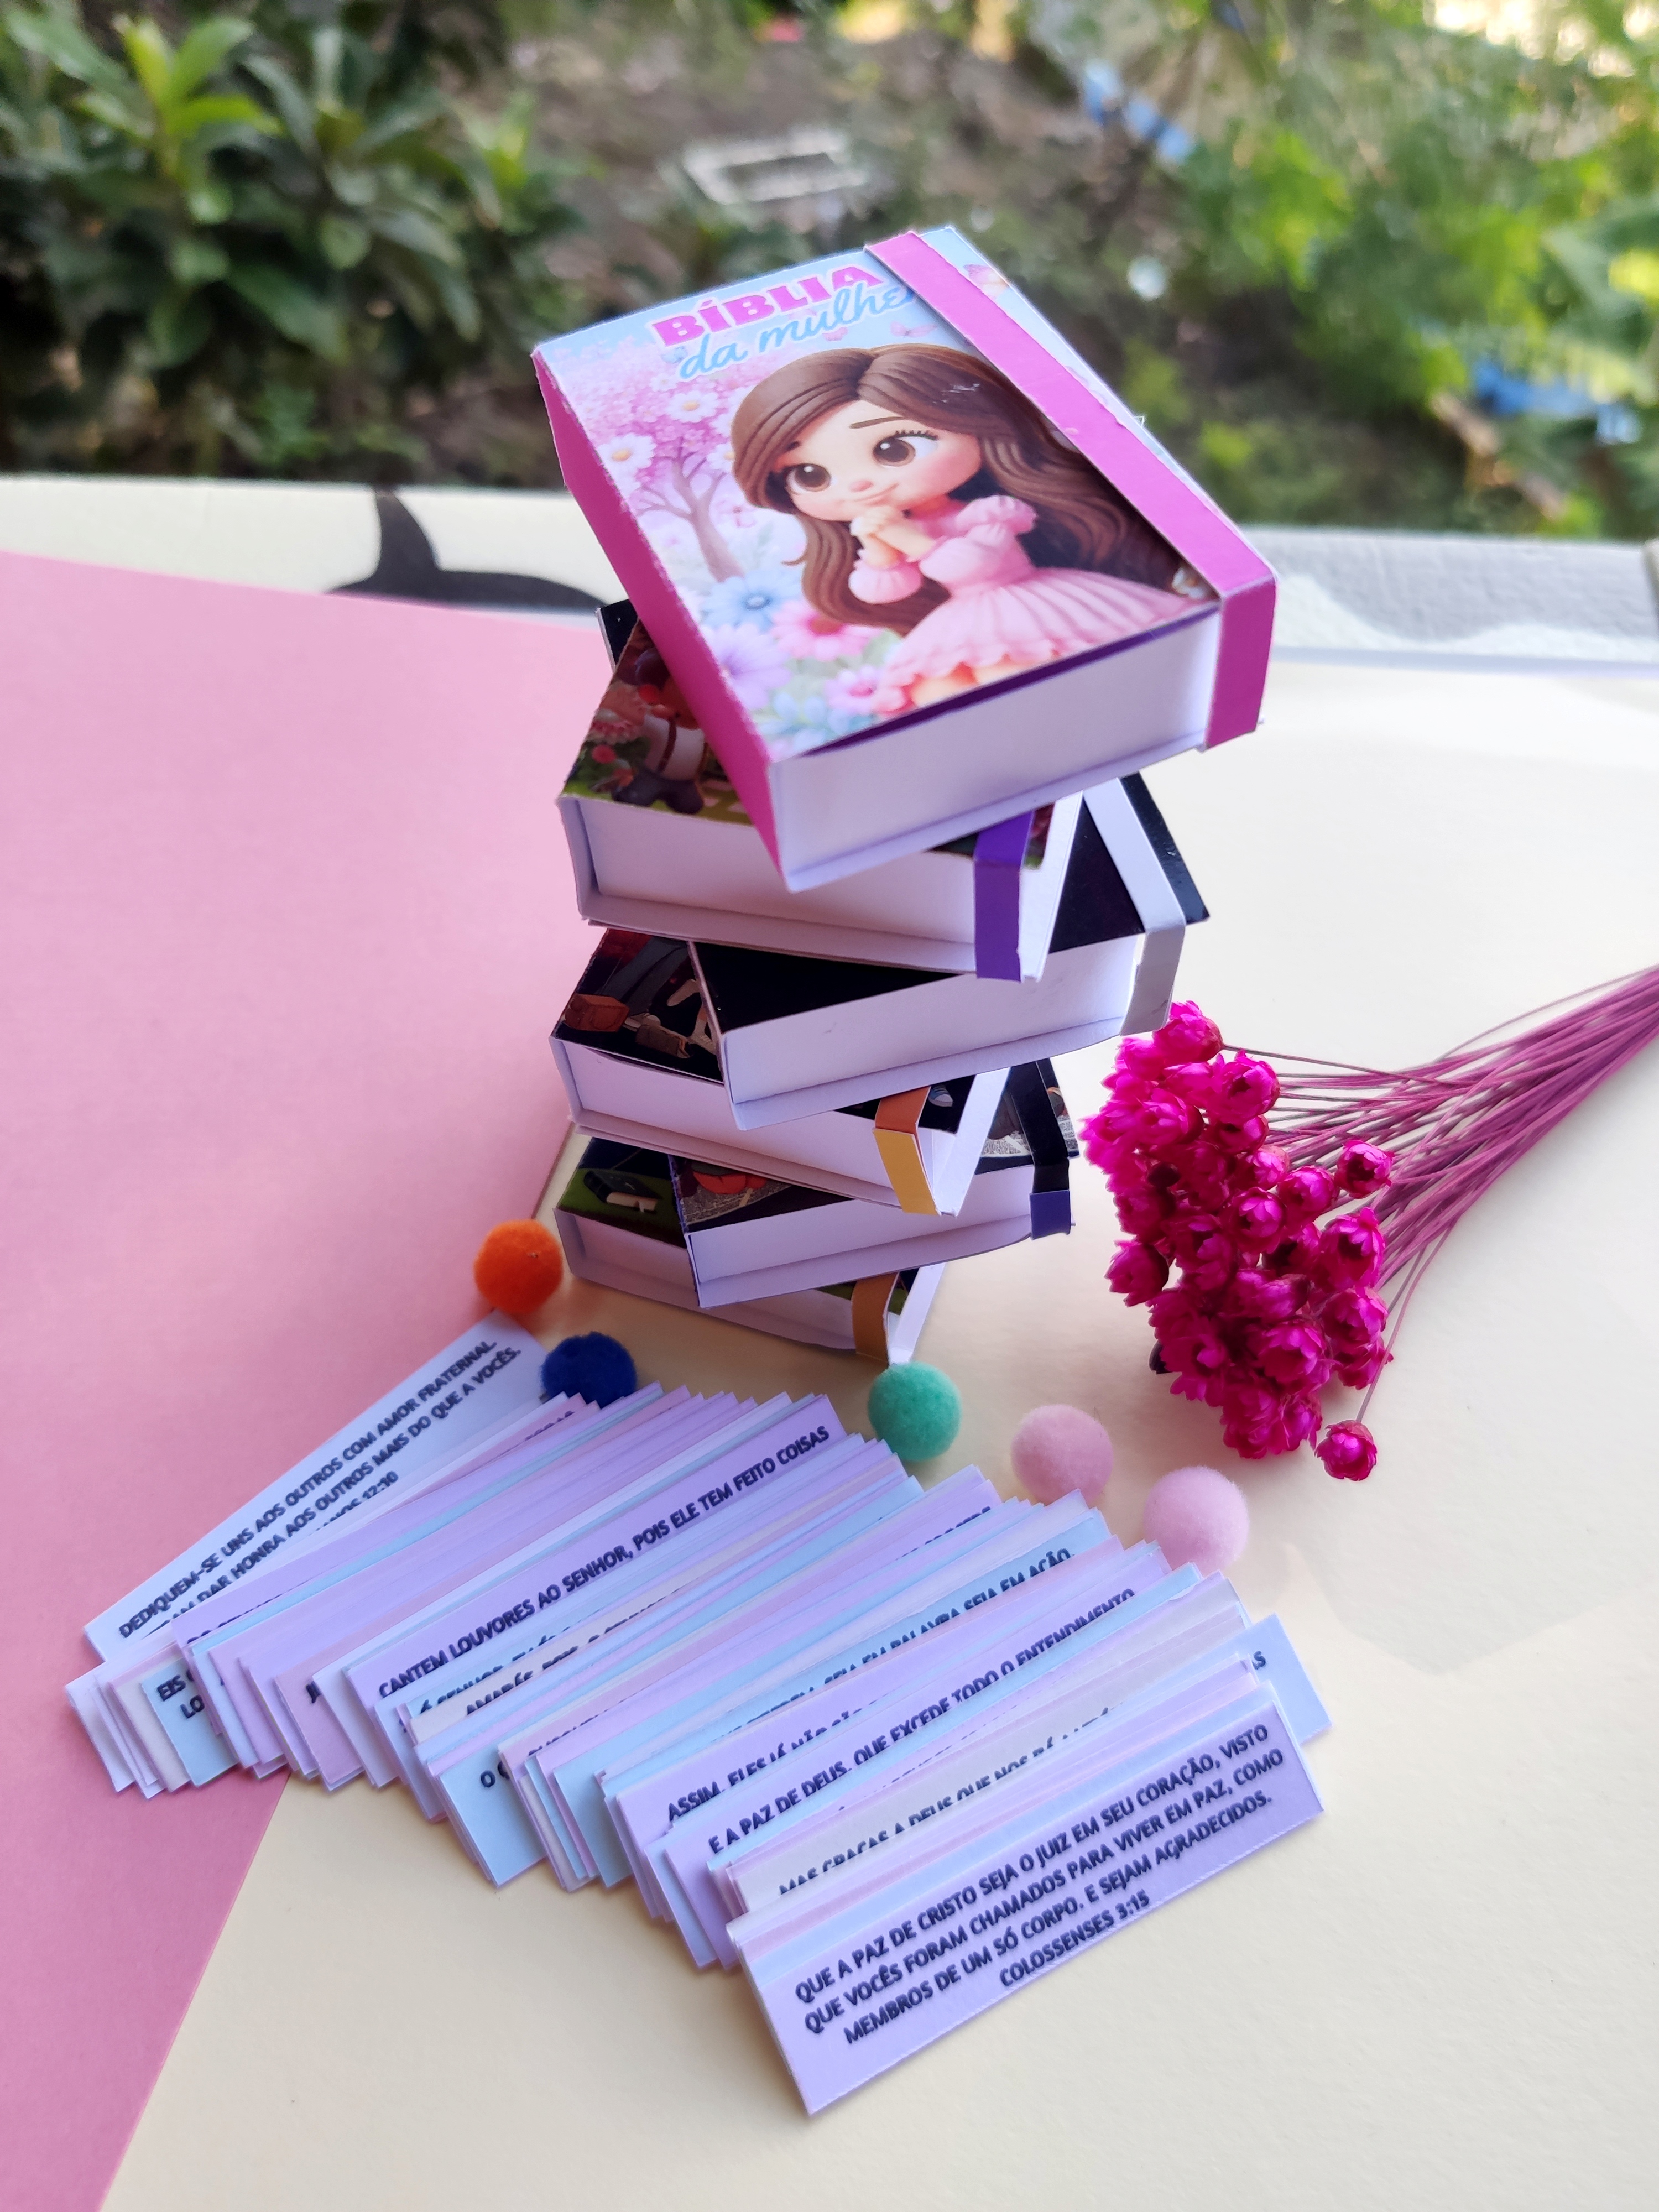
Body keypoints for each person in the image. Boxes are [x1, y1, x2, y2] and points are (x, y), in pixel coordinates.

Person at [729, 343, 1195, 716]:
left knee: (1016, 672)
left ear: (975, 426)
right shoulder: (893, 525)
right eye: (811, 475)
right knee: (939, 691)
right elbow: (884, 589)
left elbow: (972, 565)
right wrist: (877, 545)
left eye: (895, 449)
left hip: (1029, 599)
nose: (858, 484)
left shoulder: (989, 513)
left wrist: (904, 537)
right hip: (960, 620)